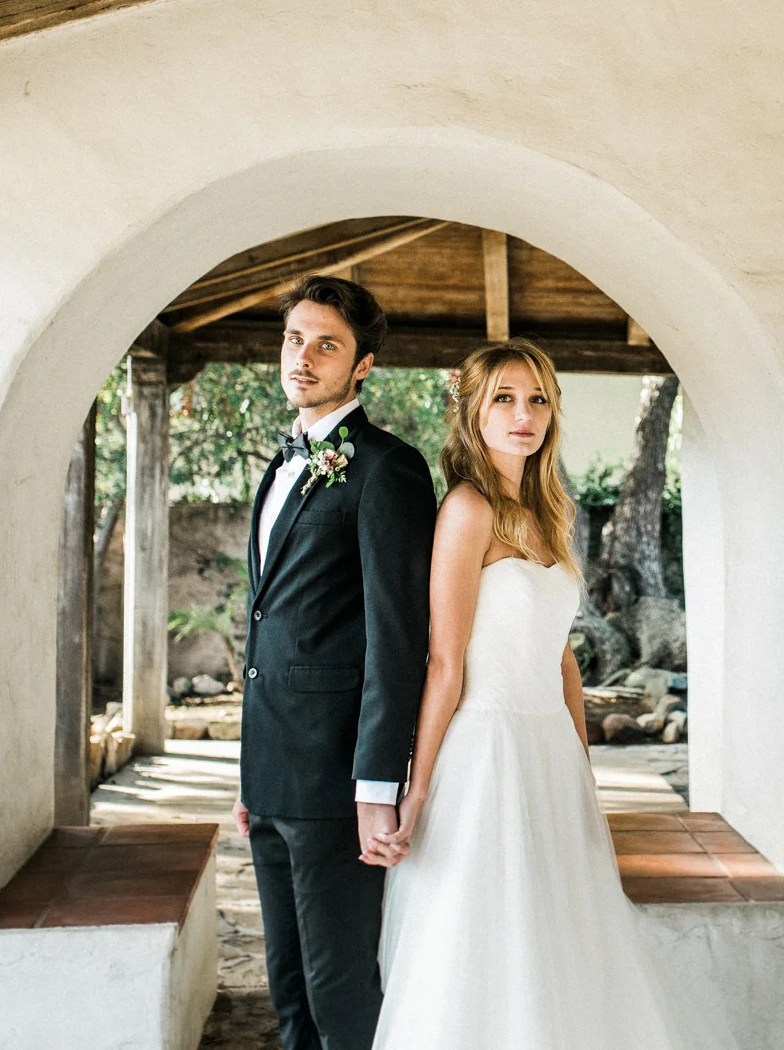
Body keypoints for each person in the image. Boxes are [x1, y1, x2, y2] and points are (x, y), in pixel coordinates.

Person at [368, 340, 716, 1050]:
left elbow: (562, 657)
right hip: (486, 748)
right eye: (503, 397)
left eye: (536, 399)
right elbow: (444, 659)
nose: (523, 414)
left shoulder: (550, 510)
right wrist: (420, 783)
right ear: (473, 413)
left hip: (549, 750)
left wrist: (582, 769)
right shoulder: (467, 510)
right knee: (488, 936)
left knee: (564, 929)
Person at [232, 275, 438, 1050]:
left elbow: (397, 640)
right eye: (295, 338)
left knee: (341, 992)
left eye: (327, 344)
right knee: (286, 989)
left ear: (363, 366)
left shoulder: (387, 470)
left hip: (338, 782)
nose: (304, 356)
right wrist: (251, 777)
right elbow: (268, 632)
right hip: (272, 778)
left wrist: (377, 785)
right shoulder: (279, 463)